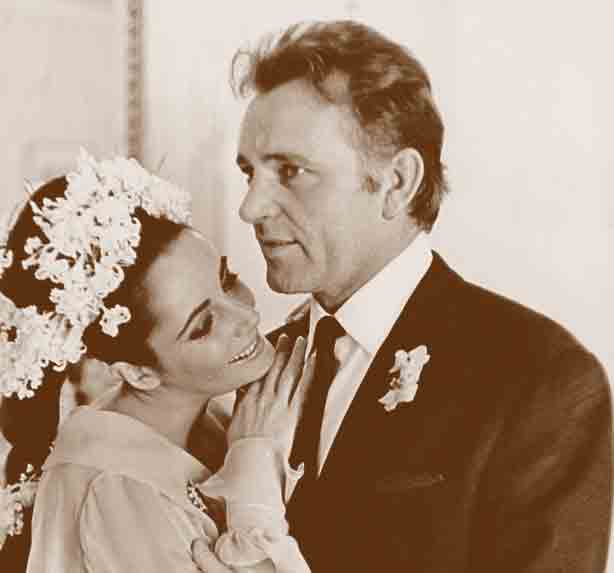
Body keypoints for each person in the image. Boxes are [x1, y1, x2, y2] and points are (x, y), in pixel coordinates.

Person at [210, 20, 611, 572]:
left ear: (397, 182)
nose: (250, 207)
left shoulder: (538, 381)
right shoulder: (249, 370)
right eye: (249, 173)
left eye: (291, 171)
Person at [0, 151, 311, 572]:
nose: (246, 317)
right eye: (203, 325)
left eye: (227, 280)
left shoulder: (218, 416)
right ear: (137, 372)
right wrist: (254, 469)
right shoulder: (114, 491)